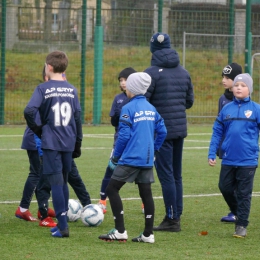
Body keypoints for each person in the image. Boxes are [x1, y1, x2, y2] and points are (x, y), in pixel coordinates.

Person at [98, 72, 167, 243]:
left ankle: (120, 231)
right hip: (147, 158)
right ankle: (148, 234)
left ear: (133, 88)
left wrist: (116, 158)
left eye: (128, 84)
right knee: (146, 193)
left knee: (111, 189)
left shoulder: (128, 108)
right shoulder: (151, 108)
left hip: (131, 158)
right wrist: (154, 150)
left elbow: (123, 137)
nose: (125, 87)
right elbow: (163, 131)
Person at [24, 51, 82, 238]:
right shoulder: (72, 89)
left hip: (51, 142)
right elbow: (77, 118)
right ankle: (61, 224)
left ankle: (63, 227)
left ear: (48, 67)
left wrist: (39, 129)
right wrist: (78, 143)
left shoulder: (43, 88)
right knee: (63, 181)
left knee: (56, 183)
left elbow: (29, 110)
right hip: (68, 141)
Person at [144, 32, 194, 232]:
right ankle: (176, 215)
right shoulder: (183, 72)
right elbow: (189, 102)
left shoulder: (151, 73)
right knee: (176, 175)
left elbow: (144, 102)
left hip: (161, 132)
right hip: (179, 129)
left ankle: (172, 219)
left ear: (153, 50)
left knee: (166, 176)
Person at [36, 66, 91, 226]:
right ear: (48, 77)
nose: (64, 80)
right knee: (46, 181)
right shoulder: (44, 95)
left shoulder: (67, 93)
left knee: (71, 177)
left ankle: (87, 205)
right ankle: (44, 213)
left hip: (64, 146)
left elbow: (75, 119)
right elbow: (34, 117)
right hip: (48, 148)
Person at [208, 73, 260, 238]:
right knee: (224, 187)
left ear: (249, 89)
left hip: (248, 160)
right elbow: (217, 132)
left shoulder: (256, 109)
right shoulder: (226, 109)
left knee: (244, 193)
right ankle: (239, 212)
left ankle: (241, 225)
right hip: (229, 158)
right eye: (237, 85)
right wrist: (212, 152)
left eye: (243, 85)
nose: (239, 87)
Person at [98, 67, 136, 214]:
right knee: (110, 170)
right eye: (121, 80)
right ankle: (102, 201)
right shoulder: (118, 99)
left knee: (140, 175)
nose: (123, 83)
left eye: (125, 79)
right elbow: (114, 122)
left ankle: (145, 204)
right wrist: (117, 116)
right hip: (119, 142)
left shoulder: (140, 99)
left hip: (134, 144)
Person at [217, 62, 242, 223]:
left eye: (228, 78)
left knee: (239, 181)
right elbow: (220, 124)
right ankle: (235, 210)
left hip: (240, 148)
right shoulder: (222, 99)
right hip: (226, 147)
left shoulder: (243, 98)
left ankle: (239, 212)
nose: (224, 80)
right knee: (226, 183)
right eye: (223, 77)